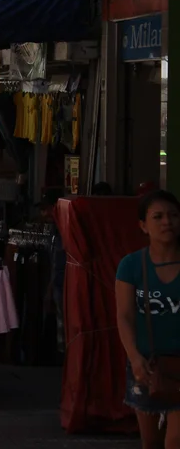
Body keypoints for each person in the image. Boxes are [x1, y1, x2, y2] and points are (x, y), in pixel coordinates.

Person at [116, 190, 180, 446]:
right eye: (158, 216)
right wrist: (134, 357)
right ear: (143, 225)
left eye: (174, 215)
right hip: (146, 365)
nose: (167, 222)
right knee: (151, 442)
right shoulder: (131, 266)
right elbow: (124, 316)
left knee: (175, 441)